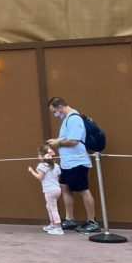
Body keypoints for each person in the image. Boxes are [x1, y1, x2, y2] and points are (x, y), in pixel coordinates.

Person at [45, 97, 99, 233]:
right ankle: (70, 219)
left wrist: (57, 143)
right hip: (68, 162)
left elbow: (74, 141)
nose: (55, 115)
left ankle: (92, 222)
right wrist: (57, 140)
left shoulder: (74, 119)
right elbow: (67, 138)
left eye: (54, 112)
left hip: (77, 161)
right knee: (65, 187)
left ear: (60, 107)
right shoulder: (67, 120)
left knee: (83, 190)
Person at [28, 144, 64, 235]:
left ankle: (58, 228)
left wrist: (31, 171)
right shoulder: (56, 165)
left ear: (43, 156)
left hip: (49, 191)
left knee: (53, 208)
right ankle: (53, 224)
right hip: (57, 189)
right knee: (49, 207)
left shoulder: (42, 165)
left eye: (39, 154)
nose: (38, 156)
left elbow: (40, 177)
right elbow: (58, 177)